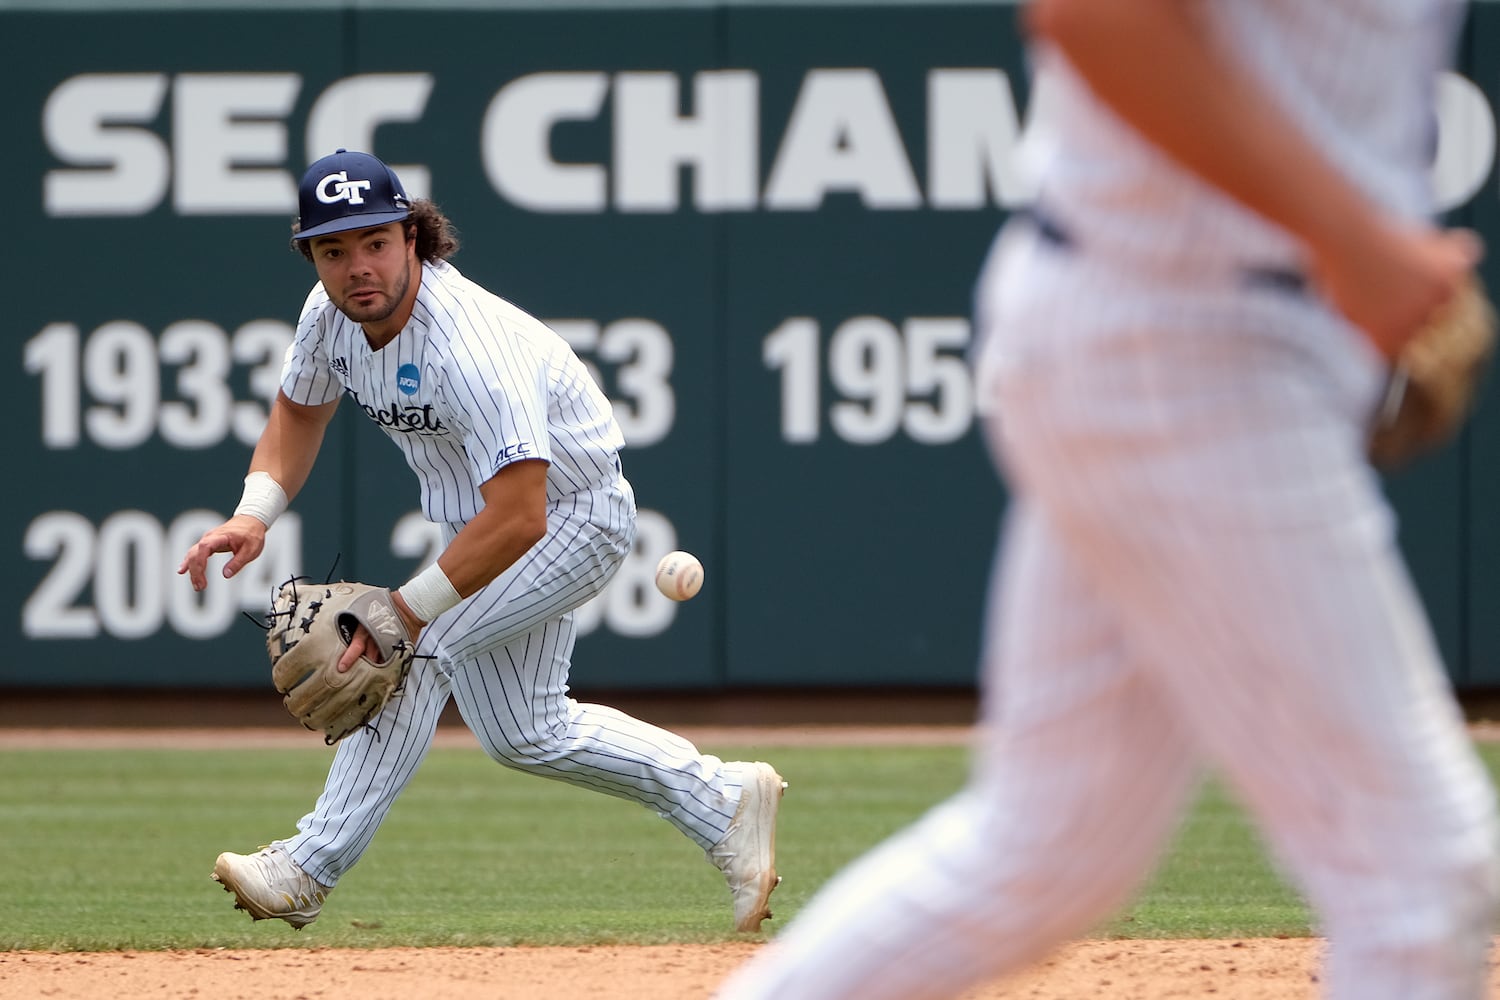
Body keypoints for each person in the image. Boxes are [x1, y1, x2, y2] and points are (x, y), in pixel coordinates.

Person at [716, 0, 1499, 997]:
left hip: (1201, 328)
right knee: (1418, 872)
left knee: (1050, 845)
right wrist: (1354, 240)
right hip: (1190, 340)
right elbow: (1097, 15)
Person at [177, 148, 785, 934]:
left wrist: (406, 609)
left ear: (412, 236)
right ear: (312, 257)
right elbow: (299, 413)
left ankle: (307, 867)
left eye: (375, 241)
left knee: (412, 652)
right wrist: (254, 510)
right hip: (487, 526)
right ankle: (725, 801)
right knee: (528, 732)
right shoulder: (328, 318)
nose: (358, 265)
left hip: (569, 517)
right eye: (334, 249)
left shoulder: (471, 349)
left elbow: (522, 515)